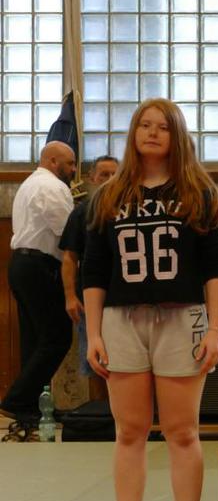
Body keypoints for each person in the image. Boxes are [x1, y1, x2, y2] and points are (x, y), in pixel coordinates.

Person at [82, 98, 218, 501]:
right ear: (133, 133)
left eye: (162, 127)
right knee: (130, 430)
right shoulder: (109, 196)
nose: (151, 133)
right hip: (122, 320)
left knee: (182, 430)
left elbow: (216, 268)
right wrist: (94, 334)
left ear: (176, 135)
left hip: (182, 317)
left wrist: (216, 329)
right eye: (144, 125)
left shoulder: (199, 193)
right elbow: (93, 271)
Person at [1, 140, 76, 442]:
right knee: (58, 337)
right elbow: (68, 234)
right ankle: (18, 401)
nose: (74, 170)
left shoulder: (30, 184)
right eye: (70, 164)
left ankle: (30, 407)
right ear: (53, 160)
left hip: (22, 264)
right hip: (39, 266)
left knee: (35, 340)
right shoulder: (52, 187)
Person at [60, 155, 120, 402]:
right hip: (91, 299)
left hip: (125, 299)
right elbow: (69, 257)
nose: (110, 179)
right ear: (92, 178)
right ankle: (101, 415)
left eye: (115, 174)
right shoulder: (82, 213)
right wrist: (70, 296)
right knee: (96, 361)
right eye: (104, 174)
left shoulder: (134, 209)